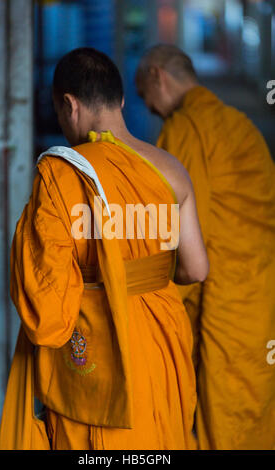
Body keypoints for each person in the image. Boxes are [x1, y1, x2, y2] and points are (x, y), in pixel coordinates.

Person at [0, 47, 209, 450]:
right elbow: (196, 270)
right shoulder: (170, 169)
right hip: (159, 341)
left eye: (61, 115)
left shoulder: (60, 174)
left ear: (69, 105)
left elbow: (46, 314)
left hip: (92, 356)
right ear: (122, 100)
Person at [135, 44, 275, 450]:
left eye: (146, 96)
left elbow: (184, 242)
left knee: (223, 420)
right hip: (261, 293)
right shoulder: (238, 122)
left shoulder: (187, 129)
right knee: (255, 414)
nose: (151, 109)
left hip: (225, 302)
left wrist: (150, 310)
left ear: (158, 76)